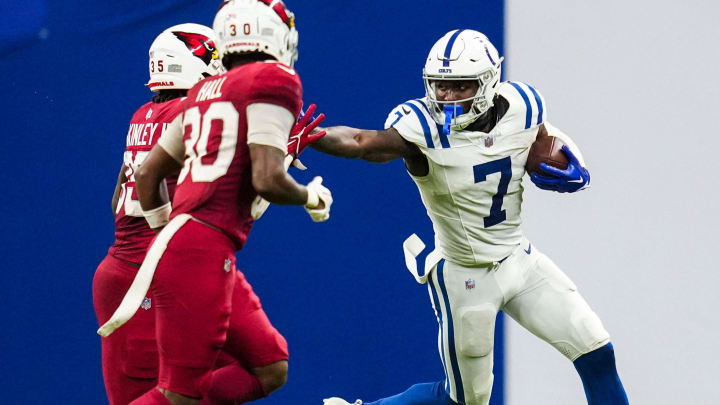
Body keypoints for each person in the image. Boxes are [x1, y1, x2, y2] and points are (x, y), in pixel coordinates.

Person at [311, 30, 629, 405]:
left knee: (595, 348)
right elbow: (363, 143)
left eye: (459, 85)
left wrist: (569, 160)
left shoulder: (522, 105)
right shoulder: (421, 128)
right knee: (464, 401)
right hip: (465, 276)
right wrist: (313, 136)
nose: (446, 96)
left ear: (489, 82)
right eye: (440, 86)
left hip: (518, 260)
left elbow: (543, 137)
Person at [96, 1, 332, 404]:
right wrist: (294, 175)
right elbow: (252, 190)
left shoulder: (146, 114)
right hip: (155, 267)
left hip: (145, 258)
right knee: (174, 393)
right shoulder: (197, 106)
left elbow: (126, 190)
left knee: (265, 363)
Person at [92, 23, 223, 405]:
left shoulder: (142, 115)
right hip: (148, 279)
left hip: (121, 269)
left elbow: (118, 197)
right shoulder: (189, 112)